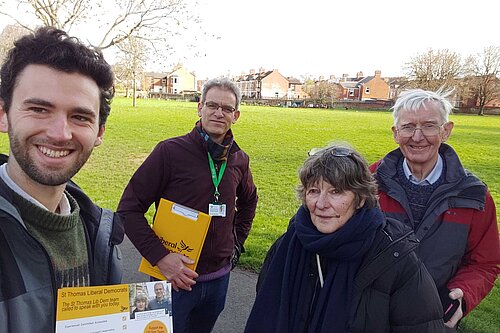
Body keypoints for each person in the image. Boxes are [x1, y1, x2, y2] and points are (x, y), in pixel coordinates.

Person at [245, 144, 445, 333]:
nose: (321, 204)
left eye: (336, 191)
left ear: (359, 199)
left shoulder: (393, 256)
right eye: (314, 191)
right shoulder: (287, 245)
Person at [0, 27, 123, 333]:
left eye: (80, 117)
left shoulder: (101, 237)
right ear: (3, 116)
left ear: (99, 133)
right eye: (39, 109)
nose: (60, 133)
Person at [118, 77, 258, 333]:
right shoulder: (170, 152)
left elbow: (249, 200)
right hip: (170, 281)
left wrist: (236, 241)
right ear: (200, 107)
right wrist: (160, 258)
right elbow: (128, 209)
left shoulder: (239, 159)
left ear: (236, 115)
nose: (219, 113)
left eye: (227, 108)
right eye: (212, 105)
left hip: (218, 281)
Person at [370, 89, 500, 331]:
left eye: (429, 126)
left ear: (446, 131)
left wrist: (463, 293)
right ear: (395, 133)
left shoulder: (474, 196)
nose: (417, 137)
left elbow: (485, 263)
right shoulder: (367, 183)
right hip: (369, 316)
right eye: (408, 127)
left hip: (433, 318)